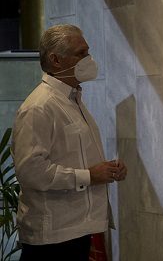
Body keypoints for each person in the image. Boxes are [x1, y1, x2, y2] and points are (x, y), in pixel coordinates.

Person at [11, 24, 127, 260]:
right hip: (53, 239)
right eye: (80, 54)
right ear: (55, 60)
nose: (88, 59)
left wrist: (108, 170)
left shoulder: (72, 99)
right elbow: (31, 171)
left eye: (88, 52)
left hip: (76, 231)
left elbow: (74, 157)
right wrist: (90, 175)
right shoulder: (39, 106)